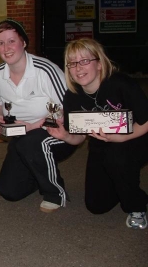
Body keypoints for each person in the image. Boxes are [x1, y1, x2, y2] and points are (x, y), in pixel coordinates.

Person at [47, 38, 148, 229]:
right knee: (96, 206)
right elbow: (78, 136)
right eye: (72, 63)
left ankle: (136, 206)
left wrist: (122, 137)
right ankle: (125, 184)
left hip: (137, 137)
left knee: (117, 159)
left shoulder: (121, 84)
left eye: (85, 61)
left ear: (100, 64)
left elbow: (146, 121)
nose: (78, 68)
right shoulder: (72, 95)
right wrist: (65, 136)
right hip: (101, 143)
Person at [0, 19, 77, 213]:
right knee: (8, 191)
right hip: (22, 137)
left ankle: (55, 192)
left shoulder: (45, 70)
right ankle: (39, 171)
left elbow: (67, 111)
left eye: (12, 41)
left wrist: (31, 127)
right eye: (0, 43)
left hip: (59, 133)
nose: (6, 47)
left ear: (24, 42)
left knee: (31, 142)